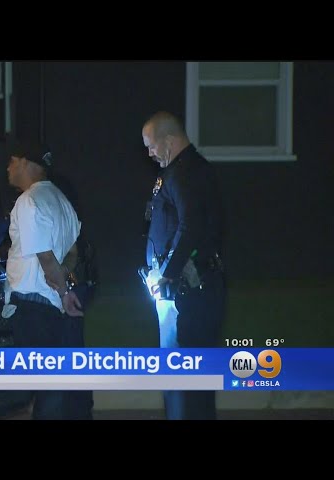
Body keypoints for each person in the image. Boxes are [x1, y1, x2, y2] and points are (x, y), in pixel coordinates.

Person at [141, 111, 226, 420]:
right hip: (192, 289)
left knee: (181, 377)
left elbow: (191, 225)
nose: (149, 154)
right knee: (192, 381)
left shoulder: (184, 173)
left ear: (169, 140)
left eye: (151, 145)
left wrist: (168, 274)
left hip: (185, 292)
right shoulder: (187, 170)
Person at [4, 137, 91, 420]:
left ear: (26, 162)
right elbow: (73, 253)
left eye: (12, 161)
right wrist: (63, 282)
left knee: (45, 389)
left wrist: (64, 292)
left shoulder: (29, 201)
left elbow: (45, 257)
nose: (8, 167)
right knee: (51, 385)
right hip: (51, 307)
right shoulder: (62, 201)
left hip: (33, 306)